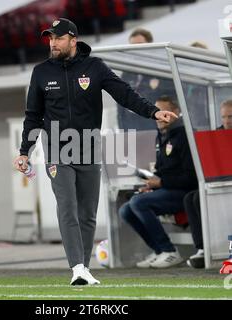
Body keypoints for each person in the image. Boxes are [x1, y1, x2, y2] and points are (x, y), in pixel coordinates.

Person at [13, 18, 177, 285]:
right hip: (57, 150)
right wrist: (24, 151)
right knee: (67, 206)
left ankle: (84, 268)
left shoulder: (95, 67)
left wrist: (154, 111)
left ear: (73, 40)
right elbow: (33, 116)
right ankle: (76, 267)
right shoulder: (41, 72)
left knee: (87, 213)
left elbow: (125, 94)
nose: (53, 43)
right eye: (50, 38)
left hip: (89, 148)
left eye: (58, 38)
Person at [119, 95, 198, 268]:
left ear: (176, 112)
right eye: (157, 112)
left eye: (163, 111)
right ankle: (159, 251)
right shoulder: (162, 135)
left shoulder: (185, 136)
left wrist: (161, 183)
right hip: (168, 189)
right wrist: (152, 185)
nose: (158, 116)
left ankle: (169, 251)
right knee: (125, 210)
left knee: (139, 203)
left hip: (185, 193)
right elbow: (162, 171)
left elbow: (191, 177)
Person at [184, 99, 232, 268]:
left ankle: (214, 246)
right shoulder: (216, 136)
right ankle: (202, 248)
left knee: (198, 198)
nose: (227, 121)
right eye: (224, 117)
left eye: (230, 117)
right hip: (220, 181)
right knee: (190, 198)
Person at [117, 28, 176, 131]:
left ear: (150, 45)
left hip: (153, 128)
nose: (136, 49)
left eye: (140, 45)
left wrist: (156, 88)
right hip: (131, 129)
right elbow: (120, 103)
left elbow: (172, 97)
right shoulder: (127, 73)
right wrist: (122, 129)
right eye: (132, 46)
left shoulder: (161, 69)